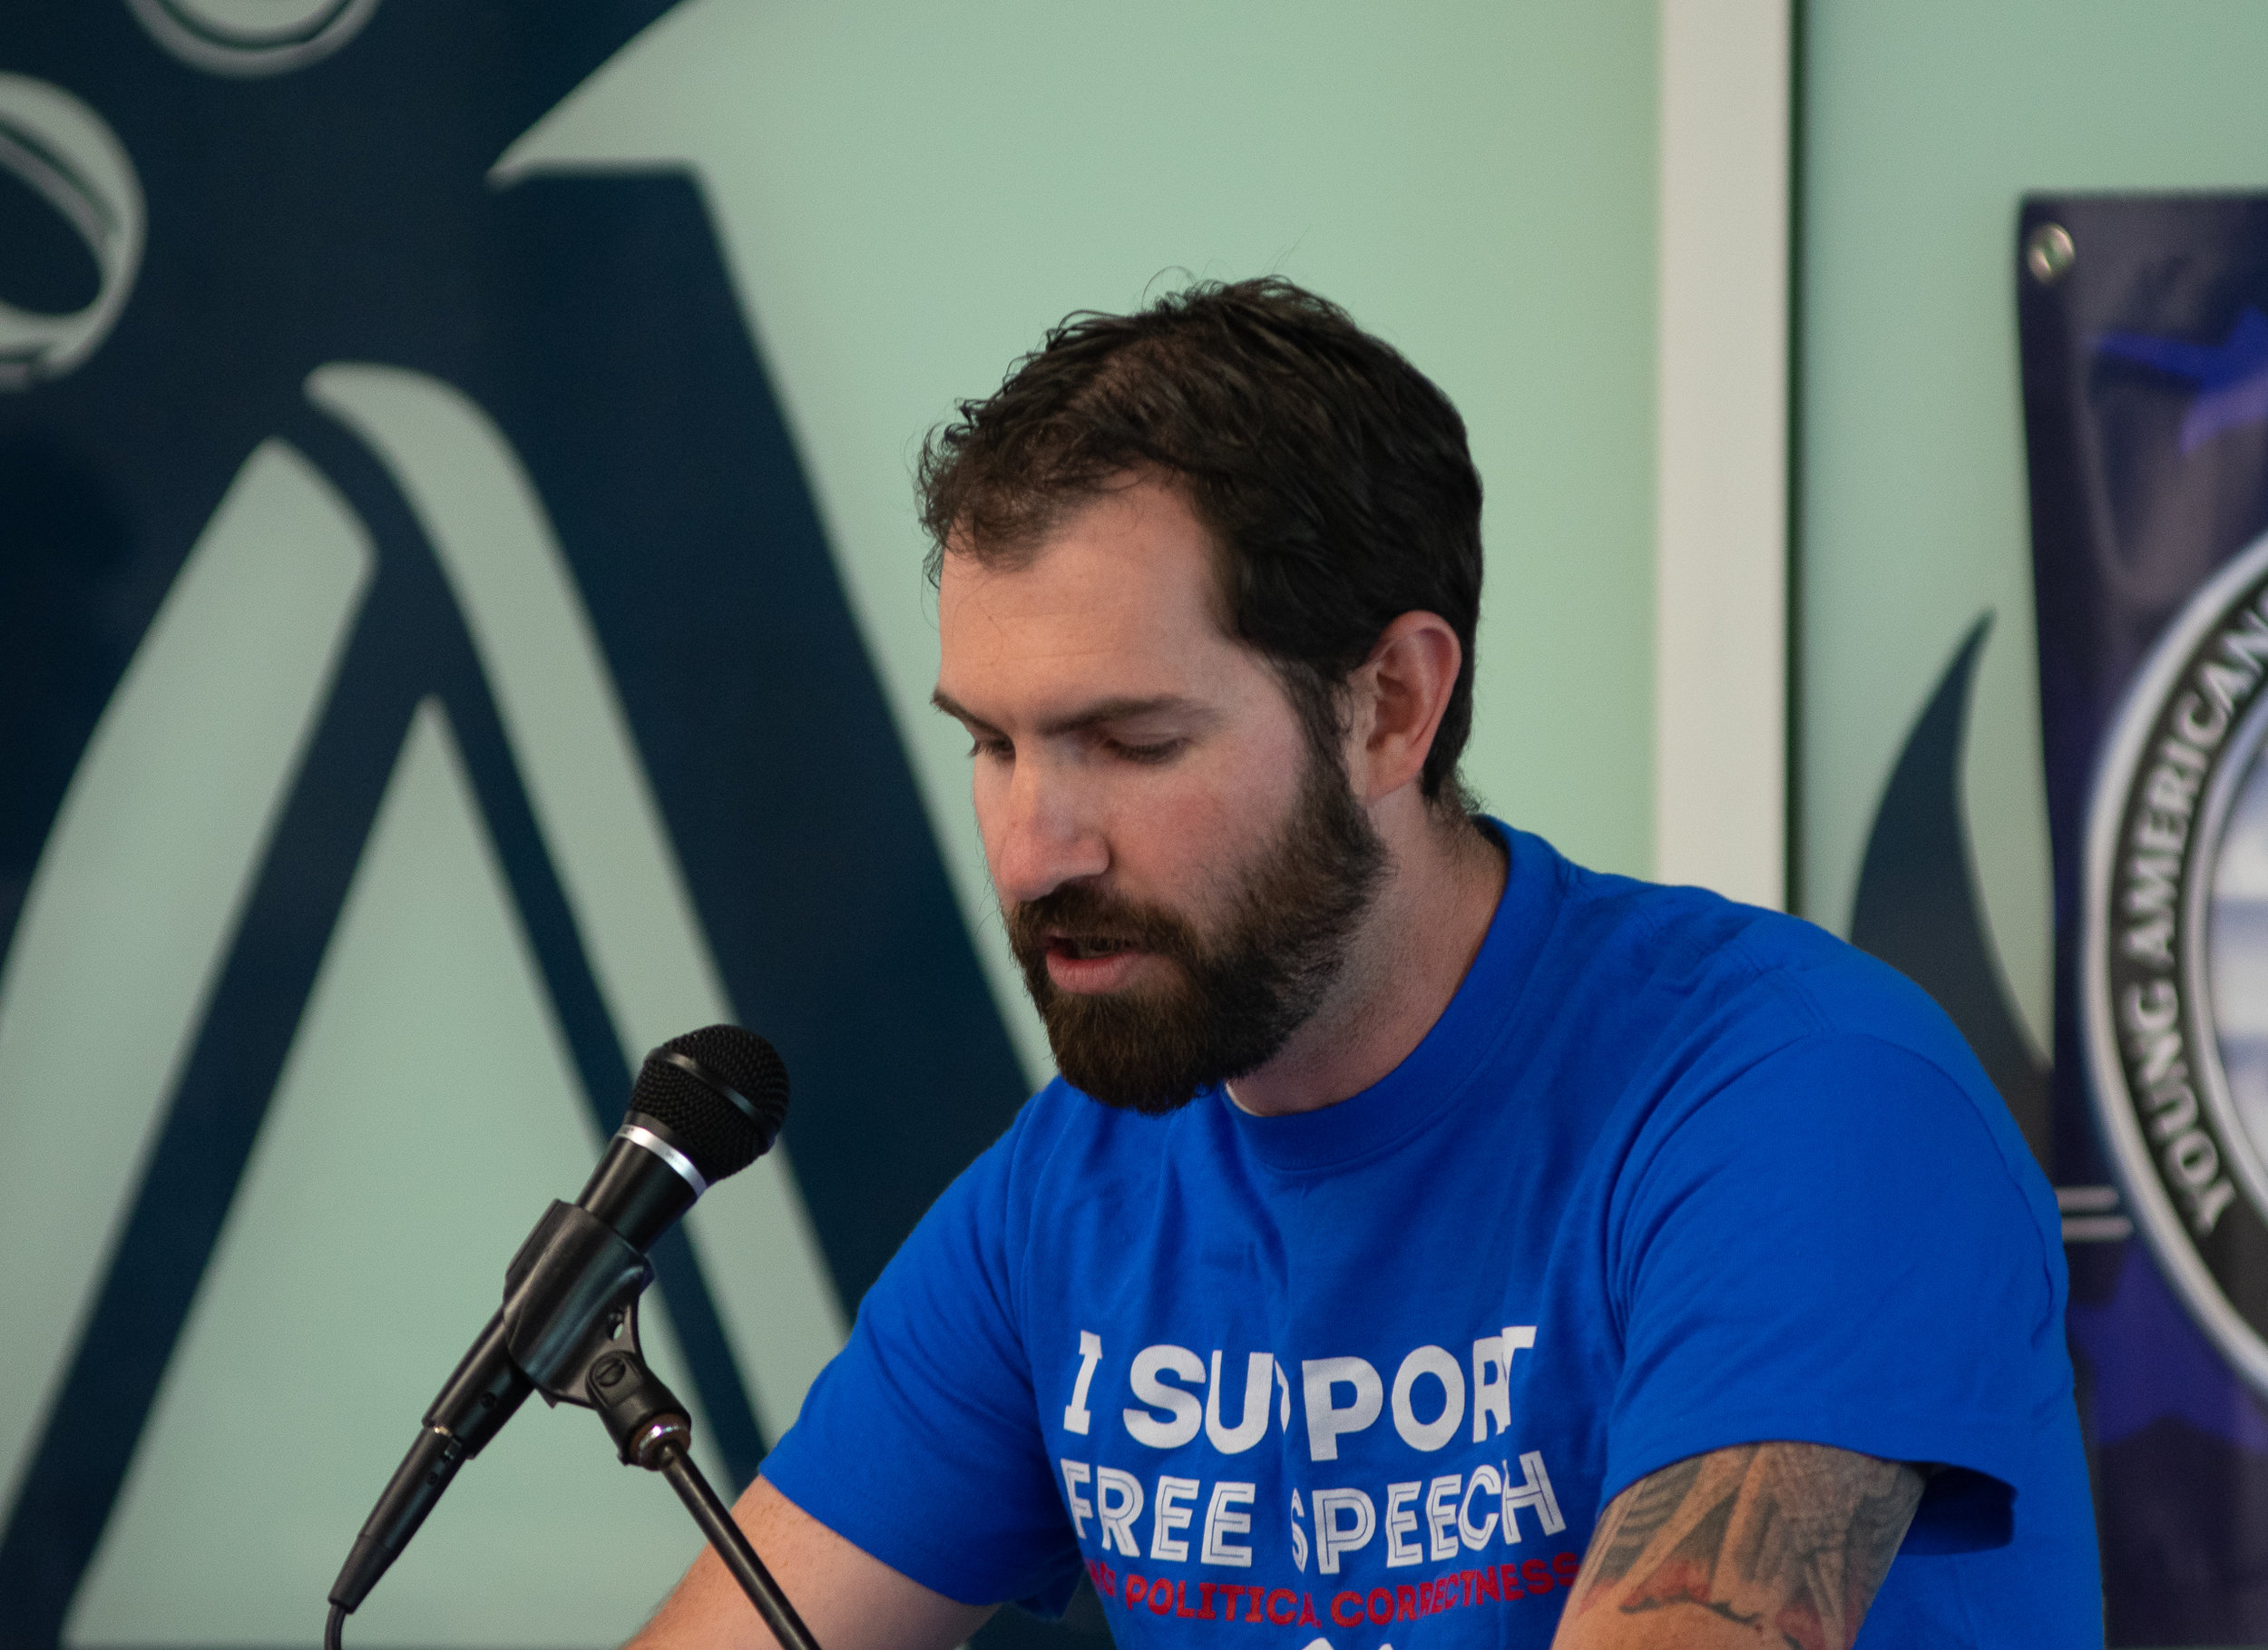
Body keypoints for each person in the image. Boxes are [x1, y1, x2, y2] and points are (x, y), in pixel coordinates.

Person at [634, 279, 2099, 1649]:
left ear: (1394, 705)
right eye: (994, 744)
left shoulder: (1806, 1107)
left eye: (1131, 744)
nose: (1033, 850)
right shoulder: (1070, 1189)